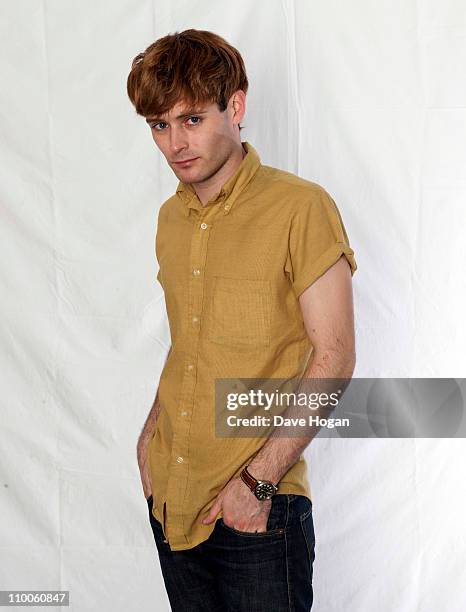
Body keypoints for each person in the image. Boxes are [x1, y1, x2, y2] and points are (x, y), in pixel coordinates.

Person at [127, 28, 357, 612]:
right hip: (172, 496)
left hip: (257, 506)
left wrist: (256, 484)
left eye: (192, 119)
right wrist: (152, 430)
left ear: (237, 106)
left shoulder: (301, 208)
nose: (175, 142)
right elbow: (189, 340)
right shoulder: (169, 220)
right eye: (159, 124)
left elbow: (334, 358)